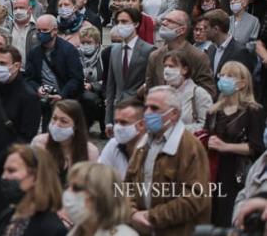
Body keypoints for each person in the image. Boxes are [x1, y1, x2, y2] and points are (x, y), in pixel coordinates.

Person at [125, 86, 210, 235]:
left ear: (174, 114)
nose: (147, 113)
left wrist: (150, 217)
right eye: (146, 107)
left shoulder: (190, 147)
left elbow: (194, 198)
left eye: (154, 108)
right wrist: (132, 213)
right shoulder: (143, 143)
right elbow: (127, 185)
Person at [205, 61, 265, 226]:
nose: (224, 79)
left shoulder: (253, 110)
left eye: (230, 76)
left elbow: (256, 147)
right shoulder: (213, 111)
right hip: (213, 170)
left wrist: (226, 147)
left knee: (228, 217)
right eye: (222, 75)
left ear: (242, 83)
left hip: (236, 173)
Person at [0, 144, 67, 236]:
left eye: (11, 171)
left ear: (35, 177)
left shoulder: (52, 229)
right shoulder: (6, 217)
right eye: (4, 171)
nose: (4, 177)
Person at [25, 14, 84, 128]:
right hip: (44, 97)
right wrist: (38, 88)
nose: (40, 33)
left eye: (45, 30)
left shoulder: (69, 50)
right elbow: (29, 78)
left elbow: (77, 79)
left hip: (65, 95)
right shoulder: (34, 52)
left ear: (54, 31)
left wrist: (62, 95)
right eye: (38, 30)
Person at [144, 10, 215, 97]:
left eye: (170, 21)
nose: (164, 23)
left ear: (182, 30)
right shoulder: (155, 56)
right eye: (164, 20)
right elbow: (149, 90)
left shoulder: (198, 56)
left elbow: (208, 92)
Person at [31, 99, 98, 185]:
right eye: (54, 118)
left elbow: (91, 185)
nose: (56, 124)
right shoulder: (39, 143)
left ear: (76, 126)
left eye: (64, 121)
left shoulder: (90, 152)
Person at [62, 162, 138, 236]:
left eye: (76, 188)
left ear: (101, 196)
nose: (68, 192)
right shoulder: (77, 230)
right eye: (68, 186)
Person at [99, 98, 146, 179]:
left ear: (141, 125)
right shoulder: (113, 144)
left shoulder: (152, 149)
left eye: (123, 122)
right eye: (116, 122)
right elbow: (100, 177)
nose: (118, 127)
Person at [204, 9, 257, 79]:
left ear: (216, 29)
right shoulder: (211, 49)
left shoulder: (240, 52)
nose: (203, 31)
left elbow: (244, 81)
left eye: (206, 28)